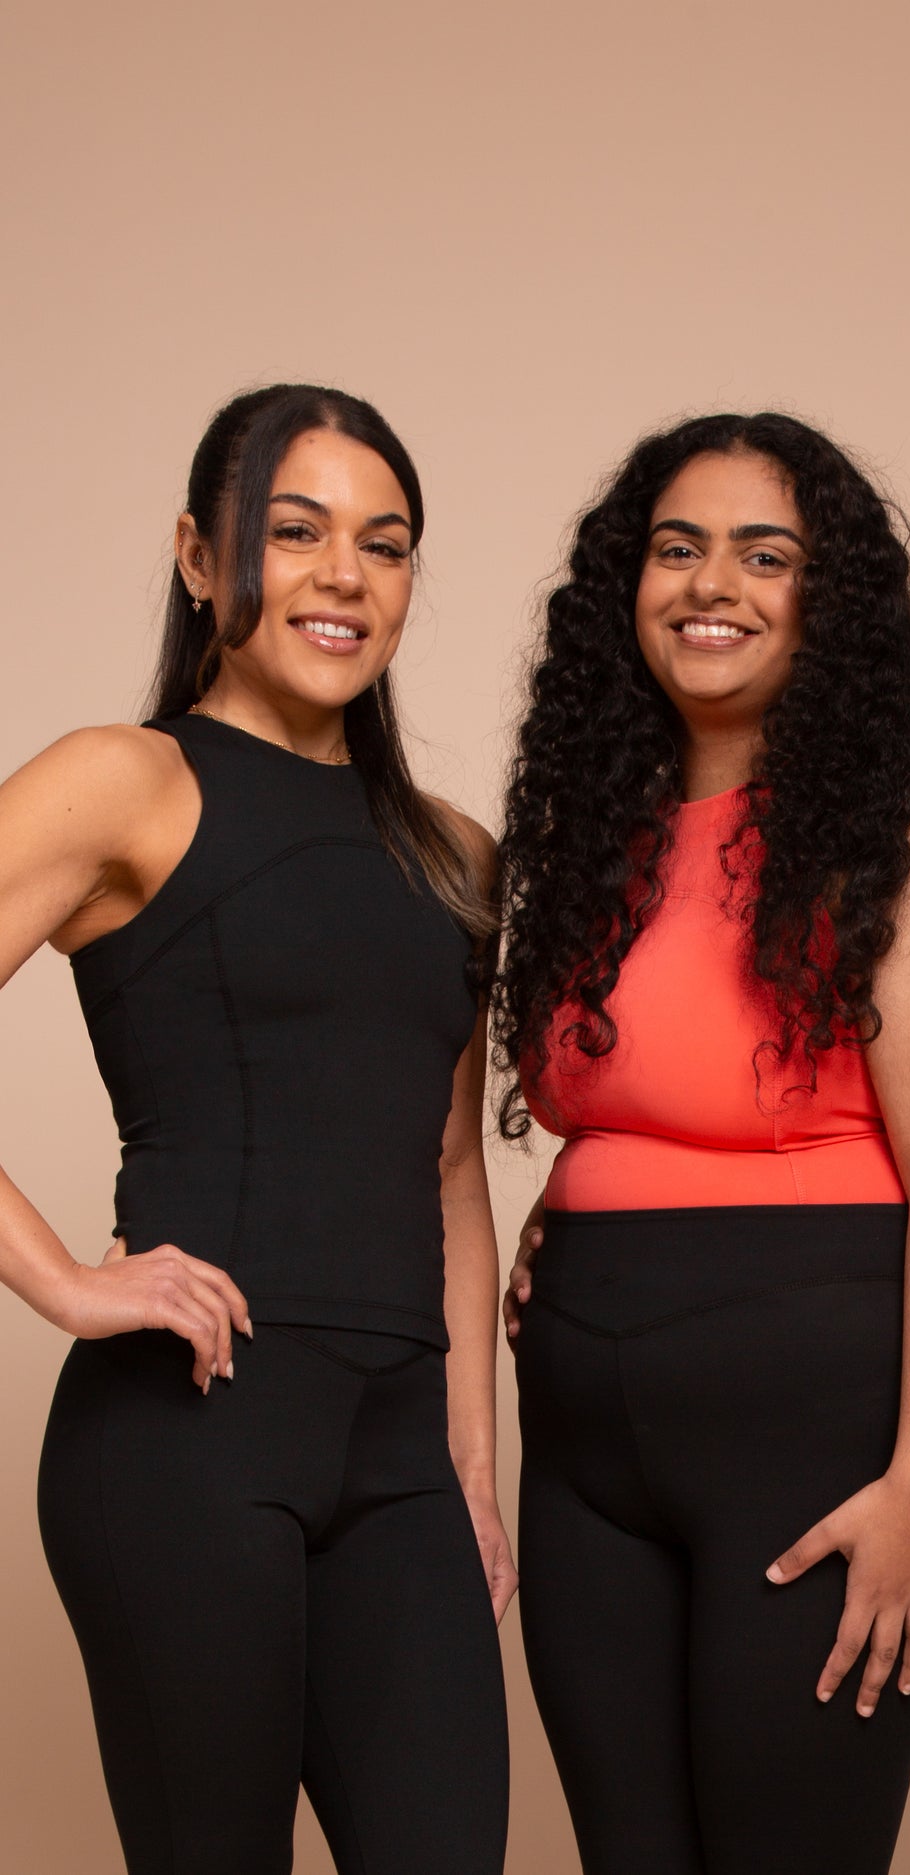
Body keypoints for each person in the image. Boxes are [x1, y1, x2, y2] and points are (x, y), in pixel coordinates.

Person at [491, 412, 910, 1874]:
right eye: (677, 547)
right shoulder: (602, 836)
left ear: (824, 604)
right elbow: (633, 1101)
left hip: (815, 1443)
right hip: (588, 1452)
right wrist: (572, 1211)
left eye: (763, 555)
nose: (710, 582)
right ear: (628, 586)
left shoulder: (887, 844)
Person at [3, 385, 512, 1874]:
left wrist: (472, 1465)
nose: (344, 575)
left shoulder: (453, 851)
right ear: (196, 552)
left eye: (386, 542)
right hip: (185, 1443)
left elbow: (449, 1169)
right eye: (295, 533)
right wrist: (66, 1281)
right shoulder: (129, 780)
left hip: (401, 1457)